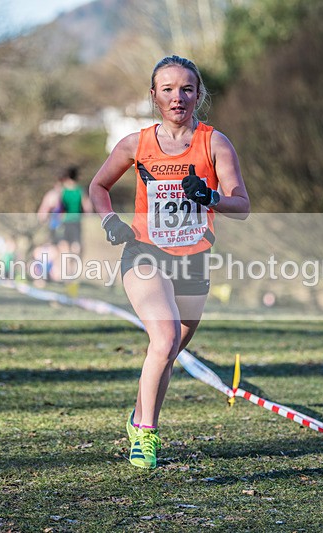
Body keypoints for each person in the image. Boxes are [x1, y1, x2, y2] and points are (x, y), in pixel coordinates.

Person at [88, 55, 250, 469]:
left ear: (198, 94)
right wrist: (110, 222)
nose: (178, 97)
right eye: (168, 89)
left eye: (186, 89)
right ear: (154, 96)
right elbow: (99, 185)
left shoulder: (215, 143)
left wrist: (210, 196)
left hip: (194, 259)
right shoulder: (135, 143)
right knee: (162, 340)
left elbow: (242, 205)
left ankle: (138, 416)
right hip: (144, 254)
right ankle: (146, 436)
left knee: (170, 348)